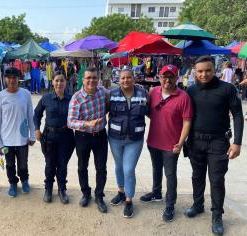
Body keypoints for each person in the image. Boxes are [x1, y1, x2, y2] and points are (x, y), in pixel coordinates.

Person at [184, 56, 244, 235]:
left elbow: (238, 115)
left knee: (217, 180)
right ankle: (198, 204)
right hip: (195, 140)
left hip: (219, 141)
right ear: (195, 71)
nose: (204, 74)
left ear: (214, 69)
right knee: (197, 176)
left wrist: (237, 143)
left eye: (208, 70)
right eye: (200, 71)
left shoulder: (227, 89)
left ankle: (217, 215)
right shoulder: (191, 90)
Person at [140, 64, 193, 222]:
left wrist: (181, 142)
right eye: (164, 76)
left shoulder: (183, 97)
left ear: (177, 78)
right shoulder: (153, 92)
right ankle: (156, 193)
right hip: (154, 141)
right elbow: (150, 112)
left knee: (170, 175)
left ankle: (170, 204)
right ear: (159, 77)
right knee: (156, 169)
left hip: (172, 145)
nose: (167, 80)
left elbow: (187, 122)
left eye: (171, 77)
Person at [67, 67, 109, 213]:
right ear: (83, 80)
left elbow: (115, 97)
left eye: (94, 78)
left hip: (100, 136)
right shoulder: (77, 98)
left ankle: (99, 196)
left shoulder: (103, 92)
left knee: (101, 168)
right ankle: (86, 193)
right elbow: (70, 121)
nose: (91, 80)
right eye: (88, 78)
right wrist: (86, 124)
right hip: (83, 137)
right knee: (82, 167)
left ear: (98, 79)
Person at [108, 69, 148, 218]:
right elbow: (104, 110)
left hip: (135, 139)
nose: (126, 80)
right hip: (115, 138)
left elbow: (151, 112)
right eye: (123, 78)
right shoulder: (111, 94)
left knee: (129, 169)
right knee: (119, 166)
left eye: (129, 77)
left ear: (134, 78)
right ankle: (121, 192)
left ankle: (129, 200)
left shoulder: (143, 94)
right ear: (119, 79)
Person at [0, 67, 36, 198]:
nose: (12, 80)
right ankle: (12, 183)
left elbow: (30, 116)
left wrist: (32, 134)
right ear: (5, 79)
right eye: (9, 78)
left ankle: (24, 181)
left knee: (23, 164)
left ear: (19, 79)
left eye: (15, 78)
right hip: (6, 140)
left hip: (22, 138)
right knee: (10, 164)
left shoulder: (26, 94)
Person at [34, 72, 75, 204]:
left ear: (65, 82)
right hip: (49, 137)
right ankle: (48, 189)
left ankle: (62, 189)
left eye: (61, 80)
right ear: (53, 82)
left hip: (66, 137)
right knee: (50, 164)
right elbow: (36, 114)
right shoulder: (46, 98)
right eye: (57, 80)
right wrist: (36, 129)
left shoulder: (72, 99)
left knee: (62, 165)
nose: (59, 83)